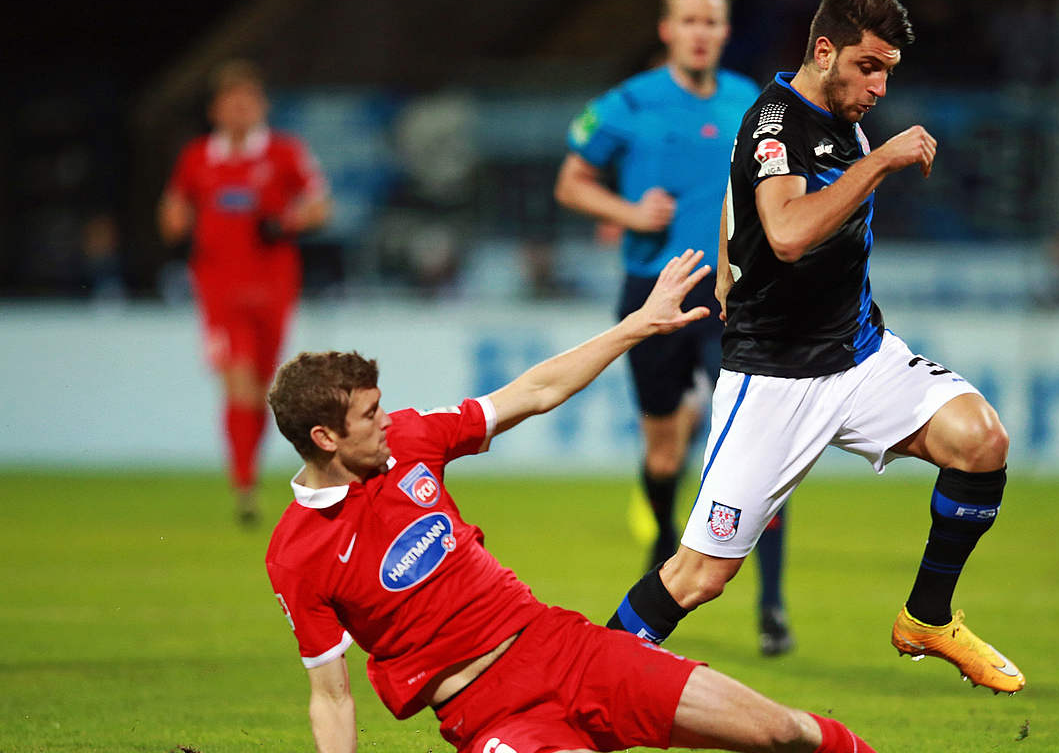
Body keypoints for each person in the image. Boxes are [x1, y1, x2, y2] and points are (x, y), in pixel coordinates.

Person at [263, 250, 880, 753]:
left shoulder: (412, 438)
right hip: (489, 715)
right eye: (369, 415)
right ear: (325, 438)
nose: (385, 422)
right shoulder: (298, 554)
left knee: (783, 732)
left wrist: (638, 324)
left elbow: (532, 392)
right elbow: (331, 695)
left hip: (567, 649)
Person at [605, 0, 1025, 695]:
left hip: (859, 356)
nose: (879, 87)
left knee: (981, 440)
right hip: (775, 379)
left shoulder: (840, 120)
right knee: (701, 575)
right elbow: (790, 233)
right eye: (867, 67)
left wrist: (728, 276)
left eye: (888, 72)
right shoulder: (776, 123)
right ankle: (583, 680)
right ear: (824, 52)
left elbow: (735, 204)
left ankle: (927, 617)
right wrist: (883, 162)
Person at [555, 0, 793, 655]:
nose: (700, 33)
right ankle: (663, 536)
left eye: (711, 22)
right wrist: (629, 214)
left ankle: (772, 606)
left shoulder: (752, 100)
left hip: (732, 299)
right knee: (663, 451)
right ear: (667, 30)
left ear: (723, 32)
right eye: (688, 21)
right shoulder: (627, 103)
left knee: (765, 443)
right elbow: (572, 181)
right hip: (652, 296)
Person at [159, 59, 331, 525]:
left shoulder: (283, 152)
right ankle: (244, 488)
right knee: (237, 384)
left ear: (261, 107)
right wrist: (177, 219)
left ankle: (247, 473)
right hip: (220, 291)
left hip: (274, 290)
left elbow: (320, 205)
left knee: (260, 392)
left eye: (249, 103)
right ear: (217, 110)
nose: (241, 112)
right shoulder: (198, 157)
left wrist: (285, 222)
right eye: (232, 104)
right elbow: (173, 209)